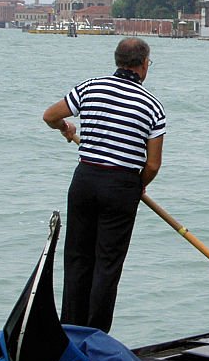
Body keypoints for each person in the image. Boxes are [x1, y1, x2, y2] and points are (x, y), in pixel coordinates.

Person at [42, 37, 166, 332]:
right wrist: (138, 185)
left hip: (85, 180)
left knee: (77, 258)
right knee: (107, 264)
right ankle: (95, 334)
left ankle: (69, 328)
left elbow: (50, 116)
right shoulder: (152, 107)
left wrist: (65, 128)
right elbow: (153, 164)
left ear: (117, 61)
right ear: (144, 64)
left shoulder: (90, 87)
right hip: (121, 187)